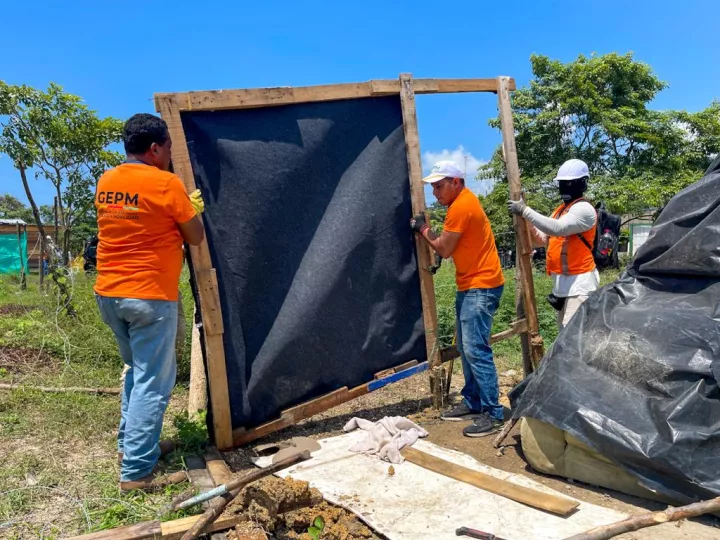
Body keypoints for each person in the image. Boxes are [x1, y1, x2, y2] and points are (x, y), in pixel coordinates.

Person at [94, 113, 205, 492]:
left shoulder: (107, 180)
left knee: (136, 372)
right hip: (148, 296)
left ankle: (130, 448)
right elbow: (195, 236)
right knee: (153, 384)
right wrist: (191, 209)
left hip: (109, 293)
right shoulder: (166, 182)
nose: (170, 155)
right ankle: (137, 473)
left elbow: (136, 220)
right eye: (169, 148)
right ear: (155, 149)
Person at [410, 161, 505, 437]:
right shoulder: (460, 204)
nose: (435, 192)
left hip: (481, 286)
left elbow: (445, 248)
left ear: (456, 182)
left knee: (475, 349)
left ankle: (493, 414)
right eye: (433, 187)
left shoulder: (462, 206)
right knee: (466, 347)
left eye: (439, 186)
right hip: (471, 284)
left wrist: (422, 229)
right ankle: (473, 401)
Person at [508, 159, 598, 329]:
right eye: (562, 183)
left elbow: (557, 228)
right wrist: (526, 221)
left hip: (580, 284)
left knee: (571, 336)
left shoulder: (584, 209)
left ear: (582, 183)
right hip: (562, 285)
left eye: (569, 183)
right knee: (565, 334)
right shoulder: (560, 210)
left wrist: (525, 211)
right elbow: (541, 239)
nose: (565, 187)